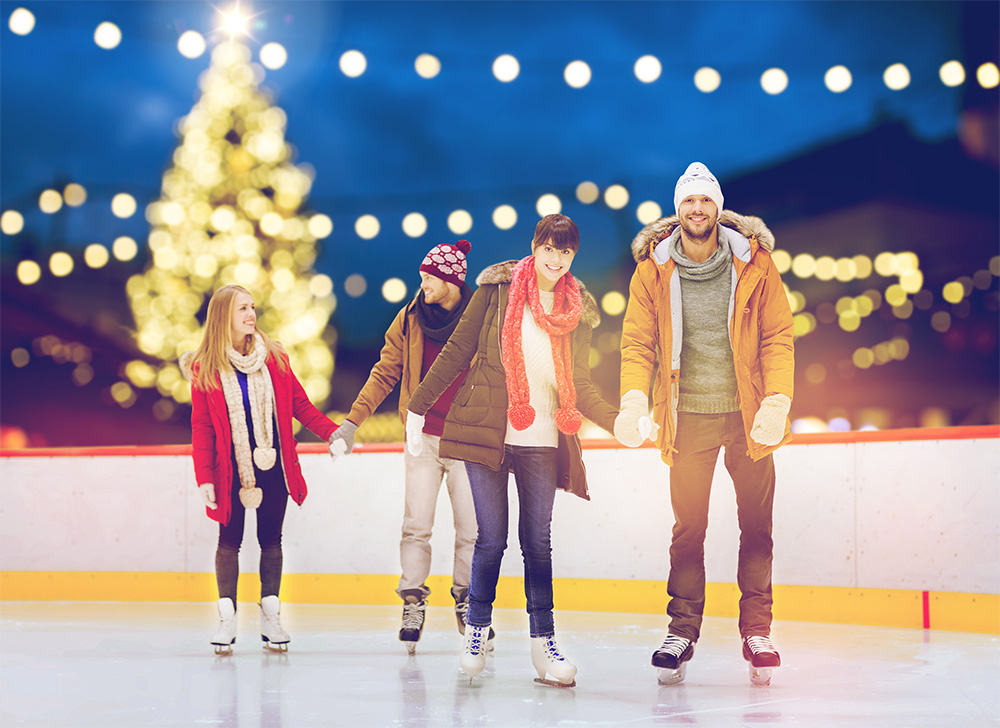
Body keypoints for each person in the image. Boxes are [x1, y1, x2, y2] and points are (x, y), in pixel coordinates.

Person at [405, 214, 617, 687]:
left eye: (566, 251)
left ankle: (545, 645)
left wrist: (618, 420)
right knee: (491, 539)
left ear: (572, 256)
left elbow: (580, 384)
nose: (556, 259)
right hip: (489, 436)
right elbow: (457, 351)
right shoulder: (497, 293)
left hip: (543, 440)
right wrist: (418, 410)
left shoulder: (576, 311)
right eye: (549, 247)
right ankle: (476, 630)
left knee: (537, 544)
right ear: (535, 246)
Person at [615, 162, 794, 687]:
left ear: (718, 208)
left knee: (756, 528)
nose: (697, 209)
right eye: (688, 201)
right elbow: (637, 341)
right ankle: (681, 630)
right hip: (686, 416)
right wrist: (631, 399)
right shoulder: (653, 268)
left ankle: (757, 631)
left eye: (705, 200)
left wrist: (776, 400)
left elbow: (777, 336)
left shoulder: (755, 263)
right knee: (688, 530)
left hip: (747, 417)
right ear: (678, 210)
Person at [327, 239, 483, 654]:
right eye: (423, 277)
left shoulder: (479, 316)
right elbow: (384, 373)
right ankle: (413, 601)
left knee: (471, 529)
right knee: (416, 526)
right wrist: (352, 422)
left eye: (431, 278)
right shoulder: (410, 318)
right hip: (422, 439)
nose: (423, 285)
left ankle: (467, 602)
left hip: (467, 439)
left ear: (452, 280)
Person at [181, 284, 341, 654]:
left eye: (252, 307)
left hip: (274, 466)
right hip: (229, 470)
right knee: (229, 542)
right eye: (242, 309)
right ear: (224, 317)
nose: (251, 315)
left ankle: (271, 617)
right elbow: (202, 427)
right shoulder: (205, 368)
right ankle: (227, 621)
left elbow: (301, 405)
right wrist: (204, 475)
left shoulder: (275, 359)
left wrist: (332, 434)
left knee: (271, 541)